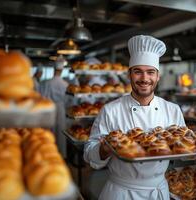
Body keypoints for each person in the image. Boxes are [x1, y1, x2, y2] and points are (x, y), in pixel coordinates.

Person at [84, 35, 185, 200]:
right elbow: (89, 153)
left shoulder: (173, 110)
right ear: (129, 74)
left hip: (158, 192)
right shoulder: (110, 110)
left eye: (150, 72)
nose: (144, 79)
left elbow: (184, 150)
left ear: (158, 76)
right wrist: (103, 149)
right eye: (138, 72)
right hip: (121, 192)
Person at [40, 55, 69, 158]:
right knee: (61, 132)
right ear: (62, 70)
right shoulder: (65, 84)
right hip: (61, 108)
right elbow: (68, 99)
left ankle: (50, 154)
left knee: (50, 131)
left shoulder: (47, 83)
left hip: (50, 109)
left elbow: (43, 98)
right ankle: (61, 155)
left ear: (54, 69)